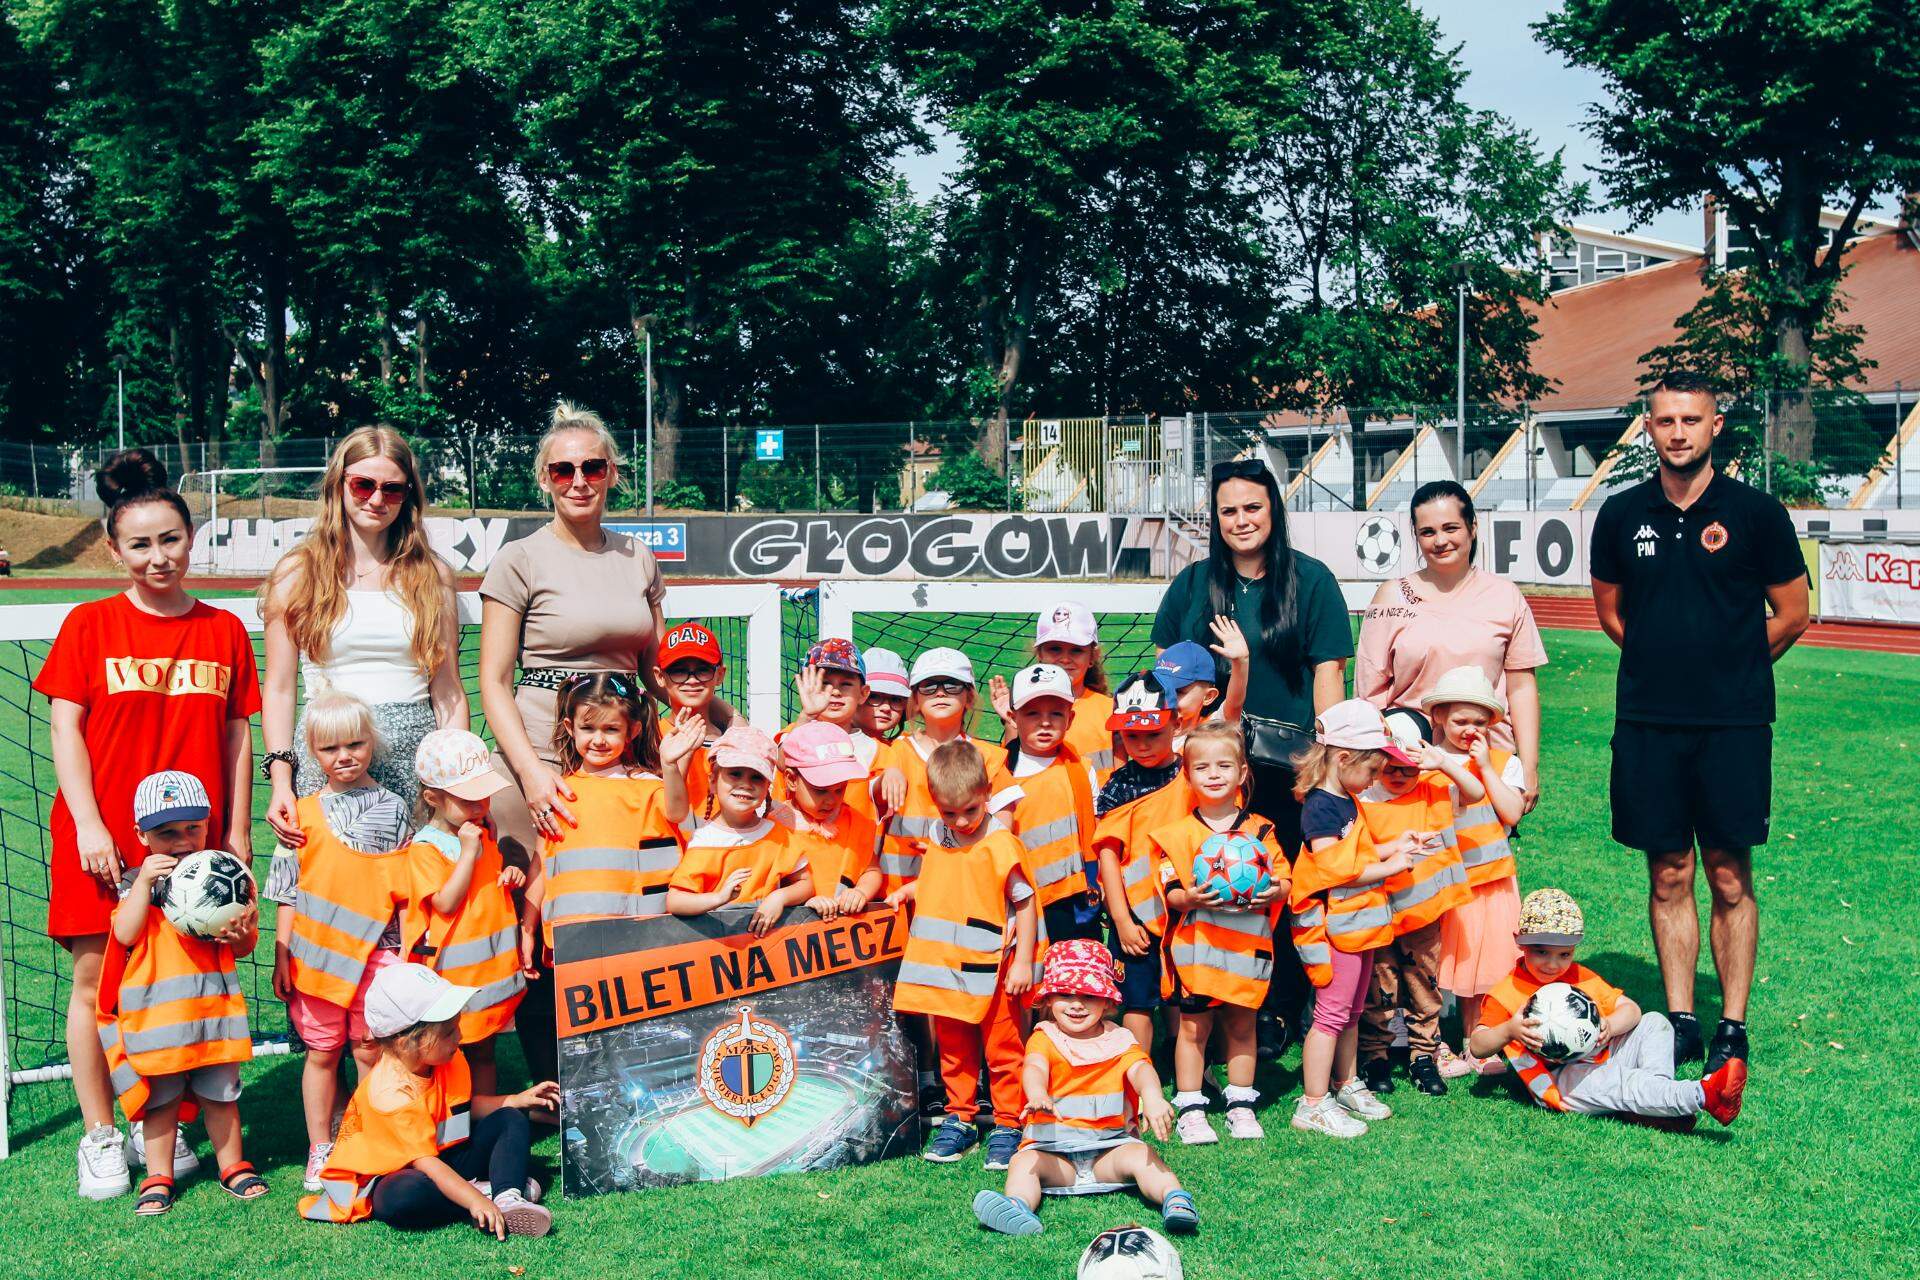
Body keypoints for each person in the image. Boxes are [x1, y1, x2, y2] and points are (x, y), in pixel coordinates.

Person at [40, 450, 259, 1200]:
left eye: (170, 539)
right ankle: (101, 1133)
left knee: (180, 981)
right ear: (114, 549)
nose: (158, 556)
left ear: (191, 538)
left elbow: (237, 735)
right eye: (140, 544)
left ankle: (155, 1119)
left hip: (194, 848)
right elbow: (65, 730)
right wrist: (89, 825)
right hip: (102, 837)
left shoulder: (224, 629)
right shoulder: (89, 624)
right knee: (96, 981)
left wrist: (237, 835)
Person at [1590, 372, 1810, 1073]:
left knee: (1729, 874)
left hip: (1733, 724)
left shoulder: (1757, 513)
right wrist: (1667, 666)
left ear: (1716, 425)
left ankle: (1732, 1026)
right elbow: (1611, 612)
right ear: (1649, 427)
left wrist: (1728, 667)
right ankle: (1682, 1019)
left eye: (1691, 420)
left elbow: (1793, 614)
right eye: (1665, 420)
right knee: (1668, 872)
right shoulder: (1620, 514)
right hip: (1649, 721)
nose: (1678, 432)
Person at [478, 402, 671, 1080]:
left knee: (628, 901)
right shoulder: (519, 559)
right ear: (545, 479)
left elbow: (655, 670)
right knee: (539, 915)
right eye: (563, 470)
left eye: (592, 466)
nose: (578, 480)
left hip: (626, 753)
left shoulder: (637, 556)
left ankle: (630, 1069)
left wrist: (719, 721)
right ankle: (554, 1084)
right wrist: (532, 775)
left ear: (613, 472)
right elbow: (493, 681)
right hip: (539, 752)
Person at [1151, 458, 1352, 1055]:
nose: (1241, 520)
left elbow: (1329, 674)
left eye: (1253, 507)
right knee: (1206, 884)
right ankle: (1205, 1009)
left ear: (1274, 510)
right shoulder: (1192, 585)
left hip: (1286, 768)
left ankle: (1279, 1007)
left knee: (1278, 887)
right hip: (1207, 768)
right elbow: (1168, 677)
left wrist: (1326, 762)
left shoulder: (1312, 580)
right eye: (1229, 510)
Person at [261, 425, 465, 842]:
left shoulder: (433, 574)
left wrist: (456, 775)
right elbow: (279, 689)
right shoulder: (297, 572)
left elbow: (448, 690)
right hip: (328, 754)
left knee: (418, 881)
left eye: (393, 489)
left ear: (408, 496)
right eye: (363, 485)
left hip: (415, 757)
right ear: (339, 484)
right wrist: (281, 780)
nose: (376, 499)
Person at [267, 690, 414, 1192]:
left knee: (370, 1050)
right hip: (316, 963)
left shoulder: (395, 808)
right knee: (322, 1054)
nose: (344, 756)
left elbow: (404, 891)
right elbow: (286, 893)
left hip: (378, 956)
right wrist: (282, 955)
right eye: (330, 748)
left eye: (355, 744)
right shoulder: (299, 815)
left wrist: (405, 953)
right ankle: (321, 1147)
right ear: (312, 752)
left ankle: (367, 1137)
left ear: (372, 743)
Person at [102, 771, 266, 1215]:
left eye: (193, 828)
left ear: (208, 824)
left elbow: (244, 946)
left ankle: (233, 1166)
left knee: (221, 1096)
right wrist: (142, 885)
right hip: (159, 1023)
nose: (182, 841)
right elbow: (124, 933)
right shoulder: (135, 882)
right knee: (161, 1103)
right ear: (142, 835)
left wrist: (242, 935)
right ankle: (159, 1176)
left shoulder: (224, 875)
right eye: (166, 833)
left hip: (213, 1014)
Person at [299, 963, 558, 1236]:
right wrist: (473, 1200)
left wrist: (517, 1100)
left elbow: (463, 1108)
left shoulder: (445, 1057)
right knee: (400, 1197)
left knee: (510, 1118)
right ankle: (488, 1193)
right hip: (396, 1173)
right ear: (407, 1042)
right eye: (448, 1032)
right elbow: (426, 1164)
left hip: (444, 1156)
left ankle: (506, 1198)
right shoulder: (390, 1093)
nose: (459, 1036)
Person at [970, 940, 1196, 1238]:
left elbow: (1141, 1069)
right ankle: (1018, 1206)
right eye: (1065, 994)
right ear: (1048, 999)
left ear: (1108, 1002)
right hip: (1053, 1153)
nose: (1077, 1004)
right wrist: (1037, 1093)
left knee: (1143, 1156)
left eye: (1089, 995)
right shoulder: (1044, 1037)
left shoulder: (1120, 1039)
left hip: (1110, 1151)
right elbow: (1034, 1067)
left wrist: (1153, 1096)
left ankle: (1175, 1198)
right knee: (1022, 1163)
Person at [1468, 889, 1747, 1130]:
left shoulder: (1579, 976)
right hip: (1561, 1081)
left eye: (1564, 954)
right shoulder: (1506, 993)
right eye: (1542, 952)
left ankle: (1653, 1104)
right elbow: (1478, 1046)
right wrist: (1509, 1030)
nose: (1553, 965)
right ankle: (1705, 1094)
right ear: (1519, 941)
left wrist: (1611, 1026)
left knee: (1655, 1021)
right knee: (1620, 1081)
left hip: (1602, 1055)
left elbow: (1631, 1010)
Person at [890, 741, 1039, 1171]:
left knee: (1003, 1048)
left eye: (970, 810)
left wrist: (1023, 961)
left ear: (987, 793)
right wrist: (909, 890)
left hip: (995, 967)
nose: (960, 821)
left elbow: (1026, 902)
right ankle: (961, 1117)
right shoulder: (940, 836)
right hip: (946, 968)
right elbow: (943, 882)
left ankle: (1009, 1122)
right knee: (953, 1048)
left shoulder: (1002, 844)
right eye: (949, 813)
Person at [1355, 480, 1546, 812]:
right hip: (1410, 765)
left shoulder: (1505, 596)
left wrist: (1528, 766)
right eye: (1427, 532)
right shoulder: (1391, 596)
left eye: (1450, 528)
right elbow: (1369, 692)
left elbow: (1521, 687)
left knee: (1483, 847)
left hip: (1487, 762)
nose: (1440, 541)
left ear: (1473, 526)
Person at [1149, 723, 1288, 1144]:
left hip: (1247, 951)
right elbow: (1170, 892)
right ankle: (1191, 1108)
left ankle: (1240, 1105)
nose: (1214, 774)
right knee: (1194, 1029)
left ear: (1242, 772)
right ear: (1187, 775)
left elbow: (1285, 881)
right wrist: (1191, 898)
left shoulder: (1261, 831)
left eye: (1224, 765)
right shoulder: (1178, 834)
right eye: (1202, 767)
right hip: (1198, 953)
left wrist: (1273, 890)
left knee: (1243, 1027)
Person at [1287, 700, 1419, 1139]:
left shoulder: (1346, 799)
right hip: (1332, 931)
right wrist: (1391, 866)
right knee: (1330, 1016)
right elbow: (1335, 869)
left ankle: (1345, 1084)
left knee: (1351, 1012)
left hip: (1356, 928)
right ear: (1344, 759)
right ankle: (1312, 1103)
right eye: (1373, 770)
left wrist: (1396, 845)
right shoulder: (1321, 808)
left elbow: (1357, 853)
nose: (1376, 779)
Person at [1353, 707, 1477, 1097]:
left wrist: (1442, 762)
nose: (1398, 775)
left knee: (1424, 985)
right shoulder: (1362, 797)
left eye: (1408, 768)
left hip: (1424, 915)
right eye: (1389, 767)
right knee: (1380, 987)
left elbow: (1475, 793)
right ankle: (1375, 1056)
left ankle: (1423, 1054)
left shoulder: (1434, 787)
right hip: (1378, 913)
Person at [402, 728, 526, 1096]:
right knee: (448, 1054)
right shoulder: (426, 848)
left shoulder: (482, 831)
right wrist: (469, 853)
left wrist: (507, 874)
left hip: (489, 973)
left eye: (484, 796)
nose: (480, 805)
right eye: (468, 799)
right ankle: (453, 1119)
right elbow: (445, 903)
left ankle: (484, 1117)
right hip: (453, 978)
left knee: (485, 1052)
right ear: (433, 798)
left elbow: (484, 885)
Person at [1421, 666, 1528, 1076]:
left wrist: (1484, 765)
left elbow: (1512, 812)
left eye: (1480, 723)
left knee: (1484, 966)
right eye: (1461, 721)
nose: (1470, 730)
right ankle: (1425, 1039)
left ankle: (1476, 1042)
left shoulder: (1504, 762)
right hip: (1439, 880)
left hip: (1489, 881)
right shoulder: (1427, 759)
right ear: (1439, 716)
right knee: (1434, 961)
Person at [523, 673, 678, 950]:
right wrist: (527, 928)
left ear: (632, 731)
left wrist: (673, 767)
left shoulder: (650, 790)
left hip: (639, 942)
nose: (599, 739)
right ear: (570, 727)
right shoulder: (557, 794)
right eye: (588, 727)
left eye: (611, 729)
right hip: (570, 944)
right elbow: (541, 860)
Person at [1091, 673, 1190, 1051]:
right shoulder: (1117, 786)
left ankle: (1188, 1071)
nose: (1143, 745)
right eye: (1132, 736)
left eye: (1153, 734)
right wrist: (1120, 919)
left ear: (1176, 723)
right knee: (1137, 1000)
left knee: (1186, 995)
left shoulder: (1192, 774)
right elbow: (1108, 856)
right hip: (1135, 911)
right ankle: (1138, 1072)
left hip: (1186, 905)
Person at [874, 649, 1007, 896]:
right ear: (915, 699)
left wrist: (954, 857)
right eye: (929, 686)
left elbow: (1003, 833)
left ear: (969, 697)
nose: (940, 692)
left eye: (952, 685)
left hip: (962, 890)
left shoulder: (989, 757)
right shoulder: (896, 752)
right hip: (896, 895)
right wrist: (887, 775)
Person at [989, 664, 1101, 944]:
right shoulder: (999, 772)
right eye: (1032, 714)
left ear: (1070, 718)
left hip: (1075, 902)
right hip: (1021, 899)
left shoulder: (1082, 768)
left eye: (1056, 713)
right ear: (1013, 718)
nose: (1045, 722)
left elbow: (1095, 829)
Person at [664, 724, 813, 933]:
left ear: (767, 786)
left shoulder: (780, 835)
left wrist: (779, 898)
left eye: (756, 777)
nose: (746, 784)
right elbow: (676, 901)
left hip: (769, 945)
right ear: (713, 781)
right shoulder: (705, 841)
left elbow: (806, 884)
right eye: (735, 774)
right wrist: (718, 898)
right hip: (720, 945)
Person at [990, 603, 1116, 779]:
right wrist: (1011, 720)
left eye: (1076, 650)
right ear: (1040, 654)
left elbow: (1121, 771)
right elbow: (1012, 771)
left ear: (1092, 656)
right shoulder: (1026, 705)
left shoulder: (1111, 709)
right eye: (1055, 649)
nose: (1065, 659)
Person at [778, 721, 885, 920]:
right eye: (820, 790)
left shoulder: (855, 822)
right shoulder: (776, 826)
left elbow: (871, 870)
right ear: (791, 780)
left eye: (840, 789)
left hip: (844, 928)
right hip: (795, 928)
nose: (831, 800)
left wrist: (860, 892)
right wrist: (803, 901)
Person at [654, 622, 735, 834]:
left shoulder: (734, 738)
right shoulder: (648, 738)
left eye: (703, 670)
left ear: (720, 675)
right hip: (670, 848)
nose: (692, 680)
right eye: (679, 671)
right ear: (660, 676)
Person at [1152, 634, 1248, 741]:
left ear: (1208, 696)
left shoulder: (1214, 729)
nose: (1167, 697)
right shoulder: (1145, 720)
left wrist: (1241, 662)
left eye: (1178, 691)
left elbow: (1234, 705)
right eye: (1160, 689)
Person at [858, 647, 912, 743]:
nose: (886, 708)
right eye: (873, 696)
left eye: (896, 699)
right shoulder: (834, 744)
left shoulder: (904, 747)